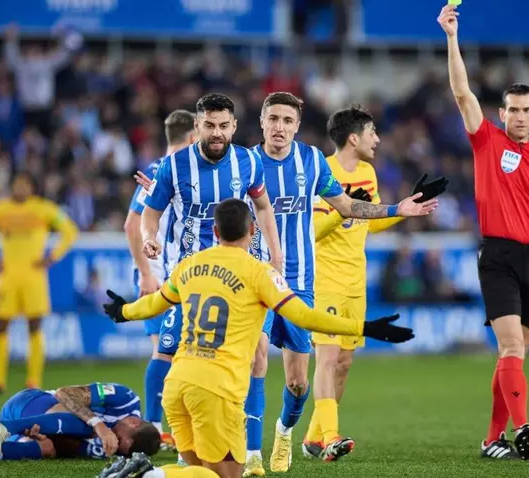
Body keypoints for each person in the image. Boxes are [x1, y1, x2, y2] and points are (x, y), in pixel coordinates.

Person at [100, 198, 415, 478]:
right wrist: (362, 327)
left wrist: (123, 311)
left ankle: (150, 473)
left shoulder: (189, 265)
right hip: (215, 390)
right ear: (253, 230)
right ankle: (146, 475)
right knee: (225, 476)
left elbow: (154, 304)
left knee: (198, 471)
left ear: (215, 232)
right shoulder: (259, 273)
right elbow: (304, 316)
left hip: (177, 385)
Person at [243, 92, 440, 475]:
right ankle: (253, 455)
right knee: (256, 360)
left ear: (297, 126)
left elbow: (347, 207)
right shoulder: (245, 163)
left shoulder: (311, 161)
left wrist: (398, 209)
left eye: (287, 120)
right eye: (273, 119)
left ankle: (286, 432)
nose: (280, 127)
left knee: (298, 382)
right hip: (256, 279)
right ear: (262, 122)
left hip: (300, 283)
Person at [437, 3, 529, 461]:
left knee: (513, 356)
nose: (519, 116)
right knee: (512, 345)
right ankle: (523, 428)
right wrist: (451, 37)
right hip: (498, 256)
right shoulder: (487, 141)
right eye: (512, 110)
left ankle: (492, 439)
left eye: (526, 110)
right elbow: (462, 93)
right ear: (501, 114)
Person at [302, 105, 448, 461]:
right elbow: (312, 232)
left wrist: (403, 208)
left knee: (344, 363)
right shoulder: (322, 171)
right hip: (326, 279)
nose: (378, 139)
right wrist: (344, 210)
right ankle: (331, 436)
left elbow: (371, 222)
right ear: (354, 138)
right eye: (372, 133)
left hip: (356, 281)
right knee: (327, 358)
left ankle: (313, 438)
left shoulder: (367, 172)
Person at [138, 93, 284, 399]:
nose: (217, 133)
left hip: (240, 273)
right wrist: (149, 238)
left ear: (233, 126)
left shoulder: (249, 161)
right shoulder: (173, 167)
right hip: (190, 274)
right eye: (209, 125)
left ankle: (248, 430)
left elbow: (263, 207)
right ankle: (156, 422)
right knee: (168, 352)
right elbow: (149, 216)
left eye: (223, 126)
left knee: (257, 353)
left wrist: (276, 253)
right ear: (197, 126)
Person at [124, 109, 196, 447]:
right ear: (193, 136)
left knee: (175, 352)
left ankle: (166, 426)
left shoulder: (179, 171)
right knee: (163, 350)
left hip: (174, 276)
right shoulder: (159, 171)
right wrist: (145, 274)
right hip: (158, 276)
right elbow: (131, 225)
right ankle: (152, 427)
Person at [0, 172, 79, 394]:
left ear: (32, 187)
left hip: (34, 276)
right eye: (17, 184)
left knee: (34, 325)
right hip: (7, 277)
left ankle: (33, 380)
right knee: (0, 325)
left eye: (25, 184)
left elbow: (70, 231)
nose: (21, 188)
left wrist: (52, 257)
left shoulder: (44, 209)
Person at [0, 382, 161, 462]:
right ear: (133, 423)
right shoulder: (126, 399)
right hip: (30, 401)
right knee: (87, 424)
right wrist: (98, 425)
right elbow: (64, 393)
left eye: (120, 450)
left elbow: (67, 447)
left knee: (46, 449)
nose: (115, 443)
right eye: (120, 439)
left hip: (34, 428)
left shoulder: (110, 450)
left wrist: (49, 438)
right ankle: (1, 428)